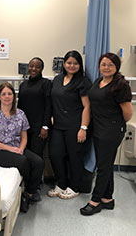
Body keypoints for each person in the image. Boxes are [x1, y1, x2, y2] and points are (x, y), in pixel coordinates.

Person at [80, 53, 133, 216]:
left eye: (110, 64)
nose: (106, 67)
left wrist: (114, 123)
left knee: (102, 166)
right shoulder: (98, 81)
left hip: (111, 131)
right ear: (99, 66)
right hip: (98, 129)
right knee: (106, 164)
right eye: (103, 64)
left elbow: (128, 113)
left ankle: (95, 201)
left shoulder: (121, 85)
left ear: (116, 67)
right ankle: (108, 199)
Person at [0, 83, 44, 213]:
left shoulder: (20, 114)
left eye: (9, 94)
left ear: (14, 96)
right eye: (3, 94)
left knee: (38, 162)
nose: (7, 96)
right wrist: (10, 149)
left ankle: (29, 193)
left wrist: (21, 149)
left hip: (17, 148)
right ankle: (27, 194)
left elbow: (24, 137)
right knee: (23, 162)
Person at [48, 50, 91, 199]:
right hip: (58, 125)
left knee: (75, 157)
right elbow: (53, 100)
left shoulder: (83, 82)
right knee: (55, 154)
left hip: (75, 126)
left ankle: (74, 187)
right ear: (64, 64)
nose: (72, 66)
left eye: (75, 63)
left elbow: (87, 106)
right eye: (69, 63)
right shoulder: (57, 79)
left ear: (80, 65)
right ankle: (61, 183)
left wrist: (83, 128)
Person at [17, 57, 52, 159]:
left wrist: (45, 126)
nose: (34, 69)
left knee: (36, 156)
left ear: (41, 69)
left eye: (37, 67)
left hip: (39, 127)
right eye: (31, 66)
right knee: (24, 154)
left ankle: (37, 175)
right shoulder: (23, 85)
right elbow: (20, 107)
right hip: (24, 127)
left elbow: (49, 105)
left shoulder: (46, 84)